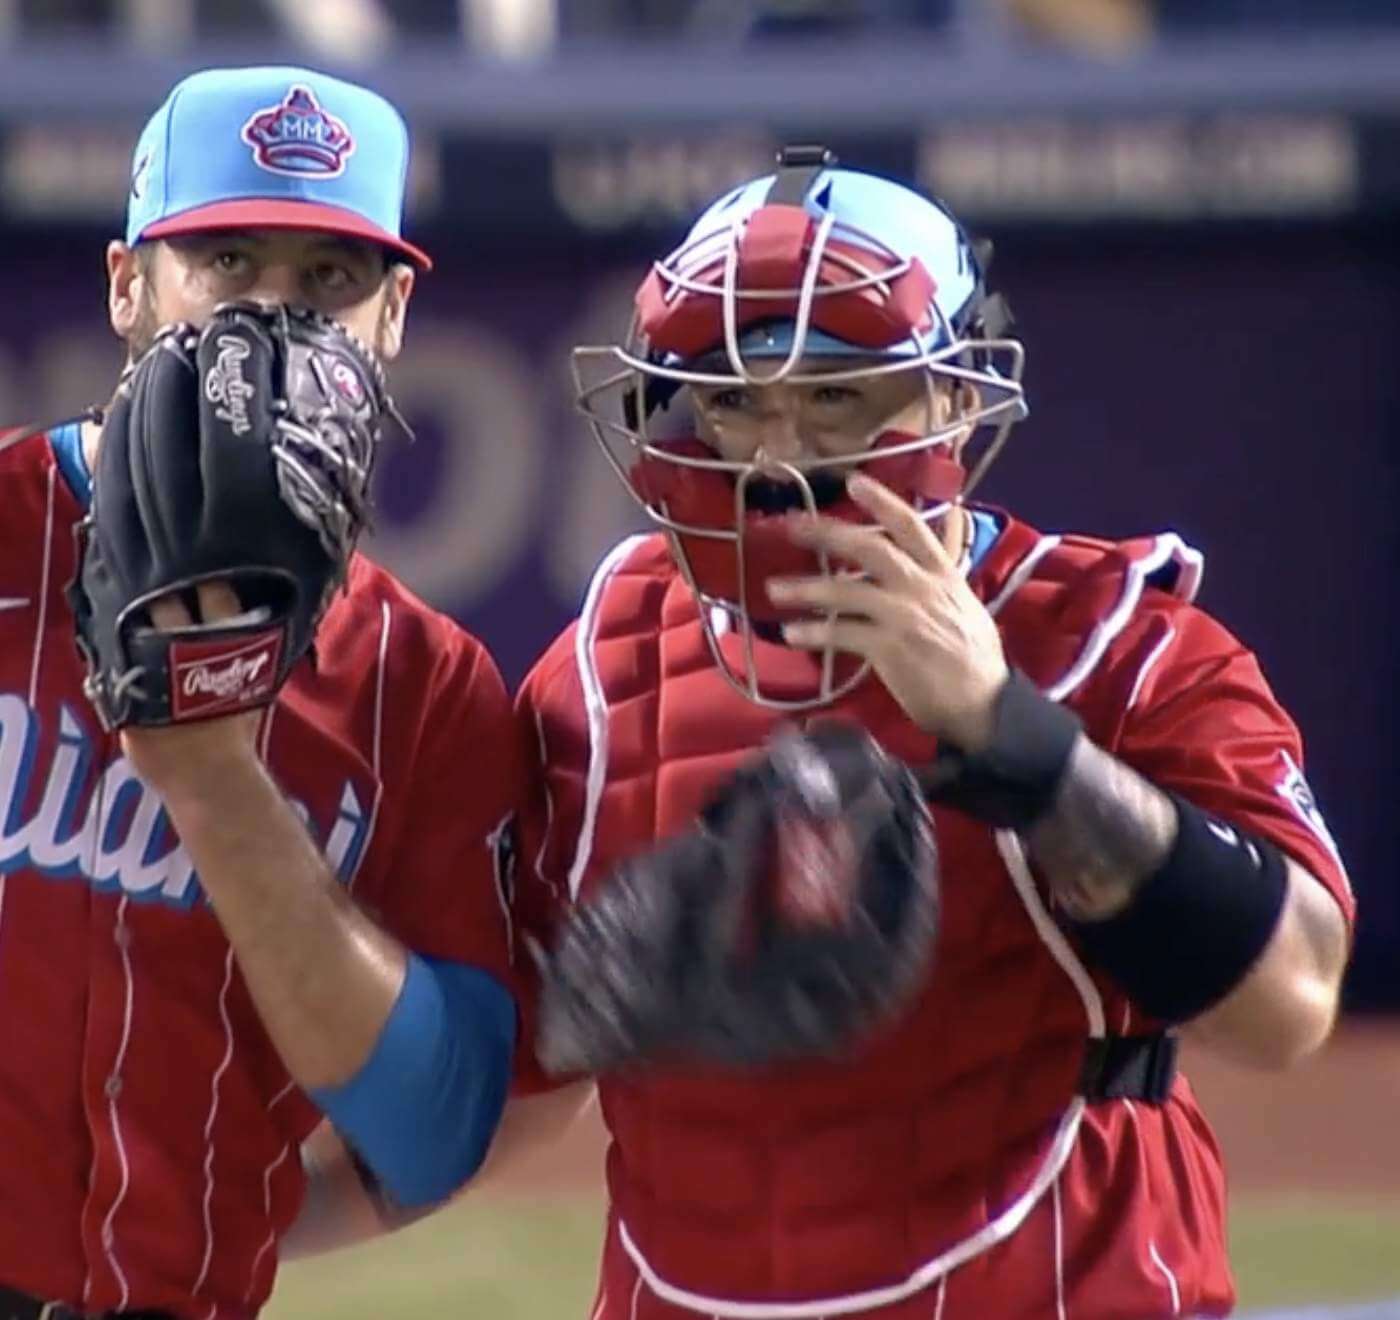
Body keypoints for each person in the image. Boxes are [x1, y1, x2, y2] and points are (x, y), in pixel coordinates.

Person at [522, 148, 1354, 1318]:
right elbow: (496, 1086)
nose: (775, 456)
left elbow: (1290, 1004)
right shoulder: (603, 667)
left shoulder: (1118, 640)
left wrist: (1016, 740)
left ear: (956, 396)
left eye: (832, 396)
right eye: (731, 402)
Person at [0, 65, 550, 1319]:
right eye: (228, 261)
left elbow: (434, 1132)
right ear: (127, 283)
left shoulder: (423, 690)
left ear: (394, 312)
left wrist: (211, 787)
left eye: (326, 280)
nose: (273, 320)